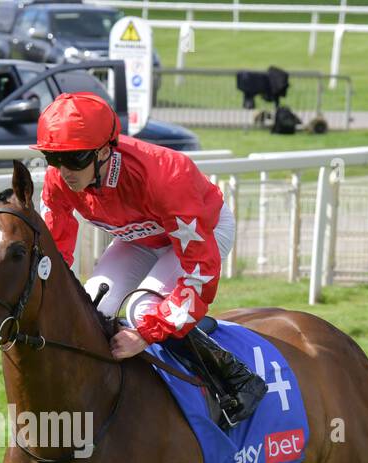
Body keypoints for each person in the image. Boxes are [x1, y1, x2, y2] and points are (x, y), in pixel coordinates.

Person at [35, 93, 266, 425]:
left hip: (205, 233)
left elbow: (199, 272)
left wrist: (145, 334)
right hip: (140, 238)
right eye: (53, 158)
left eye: (74, 159)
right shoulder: (59, 179)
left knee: (143, 309)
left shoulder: (165, 176)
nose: (63, 171)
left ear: (104, 152)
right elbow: (54, 252)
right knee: (92, 306)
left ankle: (236, 378)